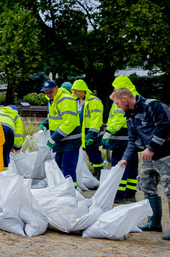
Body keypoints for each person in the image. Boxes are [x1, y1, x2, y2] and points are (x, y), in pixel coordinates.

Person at [114, 88, 170, 240]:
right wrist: (125, 158)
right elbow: (132, 140)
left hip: (166, 154)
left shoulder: (153, 106)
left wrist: (151, 147)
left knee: (169, 189)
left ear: (125, 98)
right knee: (146, 186)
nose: (117, 107)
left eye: (118, 103)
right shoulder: (130, 116)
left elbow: (164, 126)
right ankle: (154, 222)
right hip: (148, 158)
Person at [103, 75, 140, 203]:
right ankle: (130, 193)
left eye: (115, 87)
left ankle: (118, 194)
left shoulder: (122, 98)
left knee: (120, 164)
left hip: (120, 136)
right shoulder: (135, 95)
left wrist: (109, 131)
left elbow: (119, 117)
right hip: (133, 136)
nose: (114, 90)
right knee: (132, 163)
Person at [40, 80, 81, 186]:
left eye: (50, 92)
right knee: (58, 168)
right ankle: (63, 193)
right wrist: (46, 124)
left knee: (67, 169)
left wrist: (54, 137)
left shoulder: (65, 99)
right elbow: (55, 117)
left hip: (70, 141)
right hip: (61, 141)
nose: (48, 94)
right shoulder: (54, 99)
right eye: (46, 92)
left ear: (56, 88)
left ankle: (72, 194)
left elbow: (69, 123)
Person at [72, 79, 105, 179]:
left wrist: (91, 135)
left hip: (91, 132)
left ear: (83, 90)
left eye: (76, 90)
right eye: (73, 90)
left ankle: (100, 176)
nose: (74, 92)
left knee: (94, 155)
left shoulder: (94, 101)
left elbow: (96, 119)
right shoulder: (75, 101)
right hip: (81, 133)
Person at [0, 105, 24, 170]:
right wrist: (17, 147)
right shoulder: (16, 115)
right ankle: (4, 172)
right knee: (5, 152)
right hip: (7, 130)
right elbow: (18, 134)